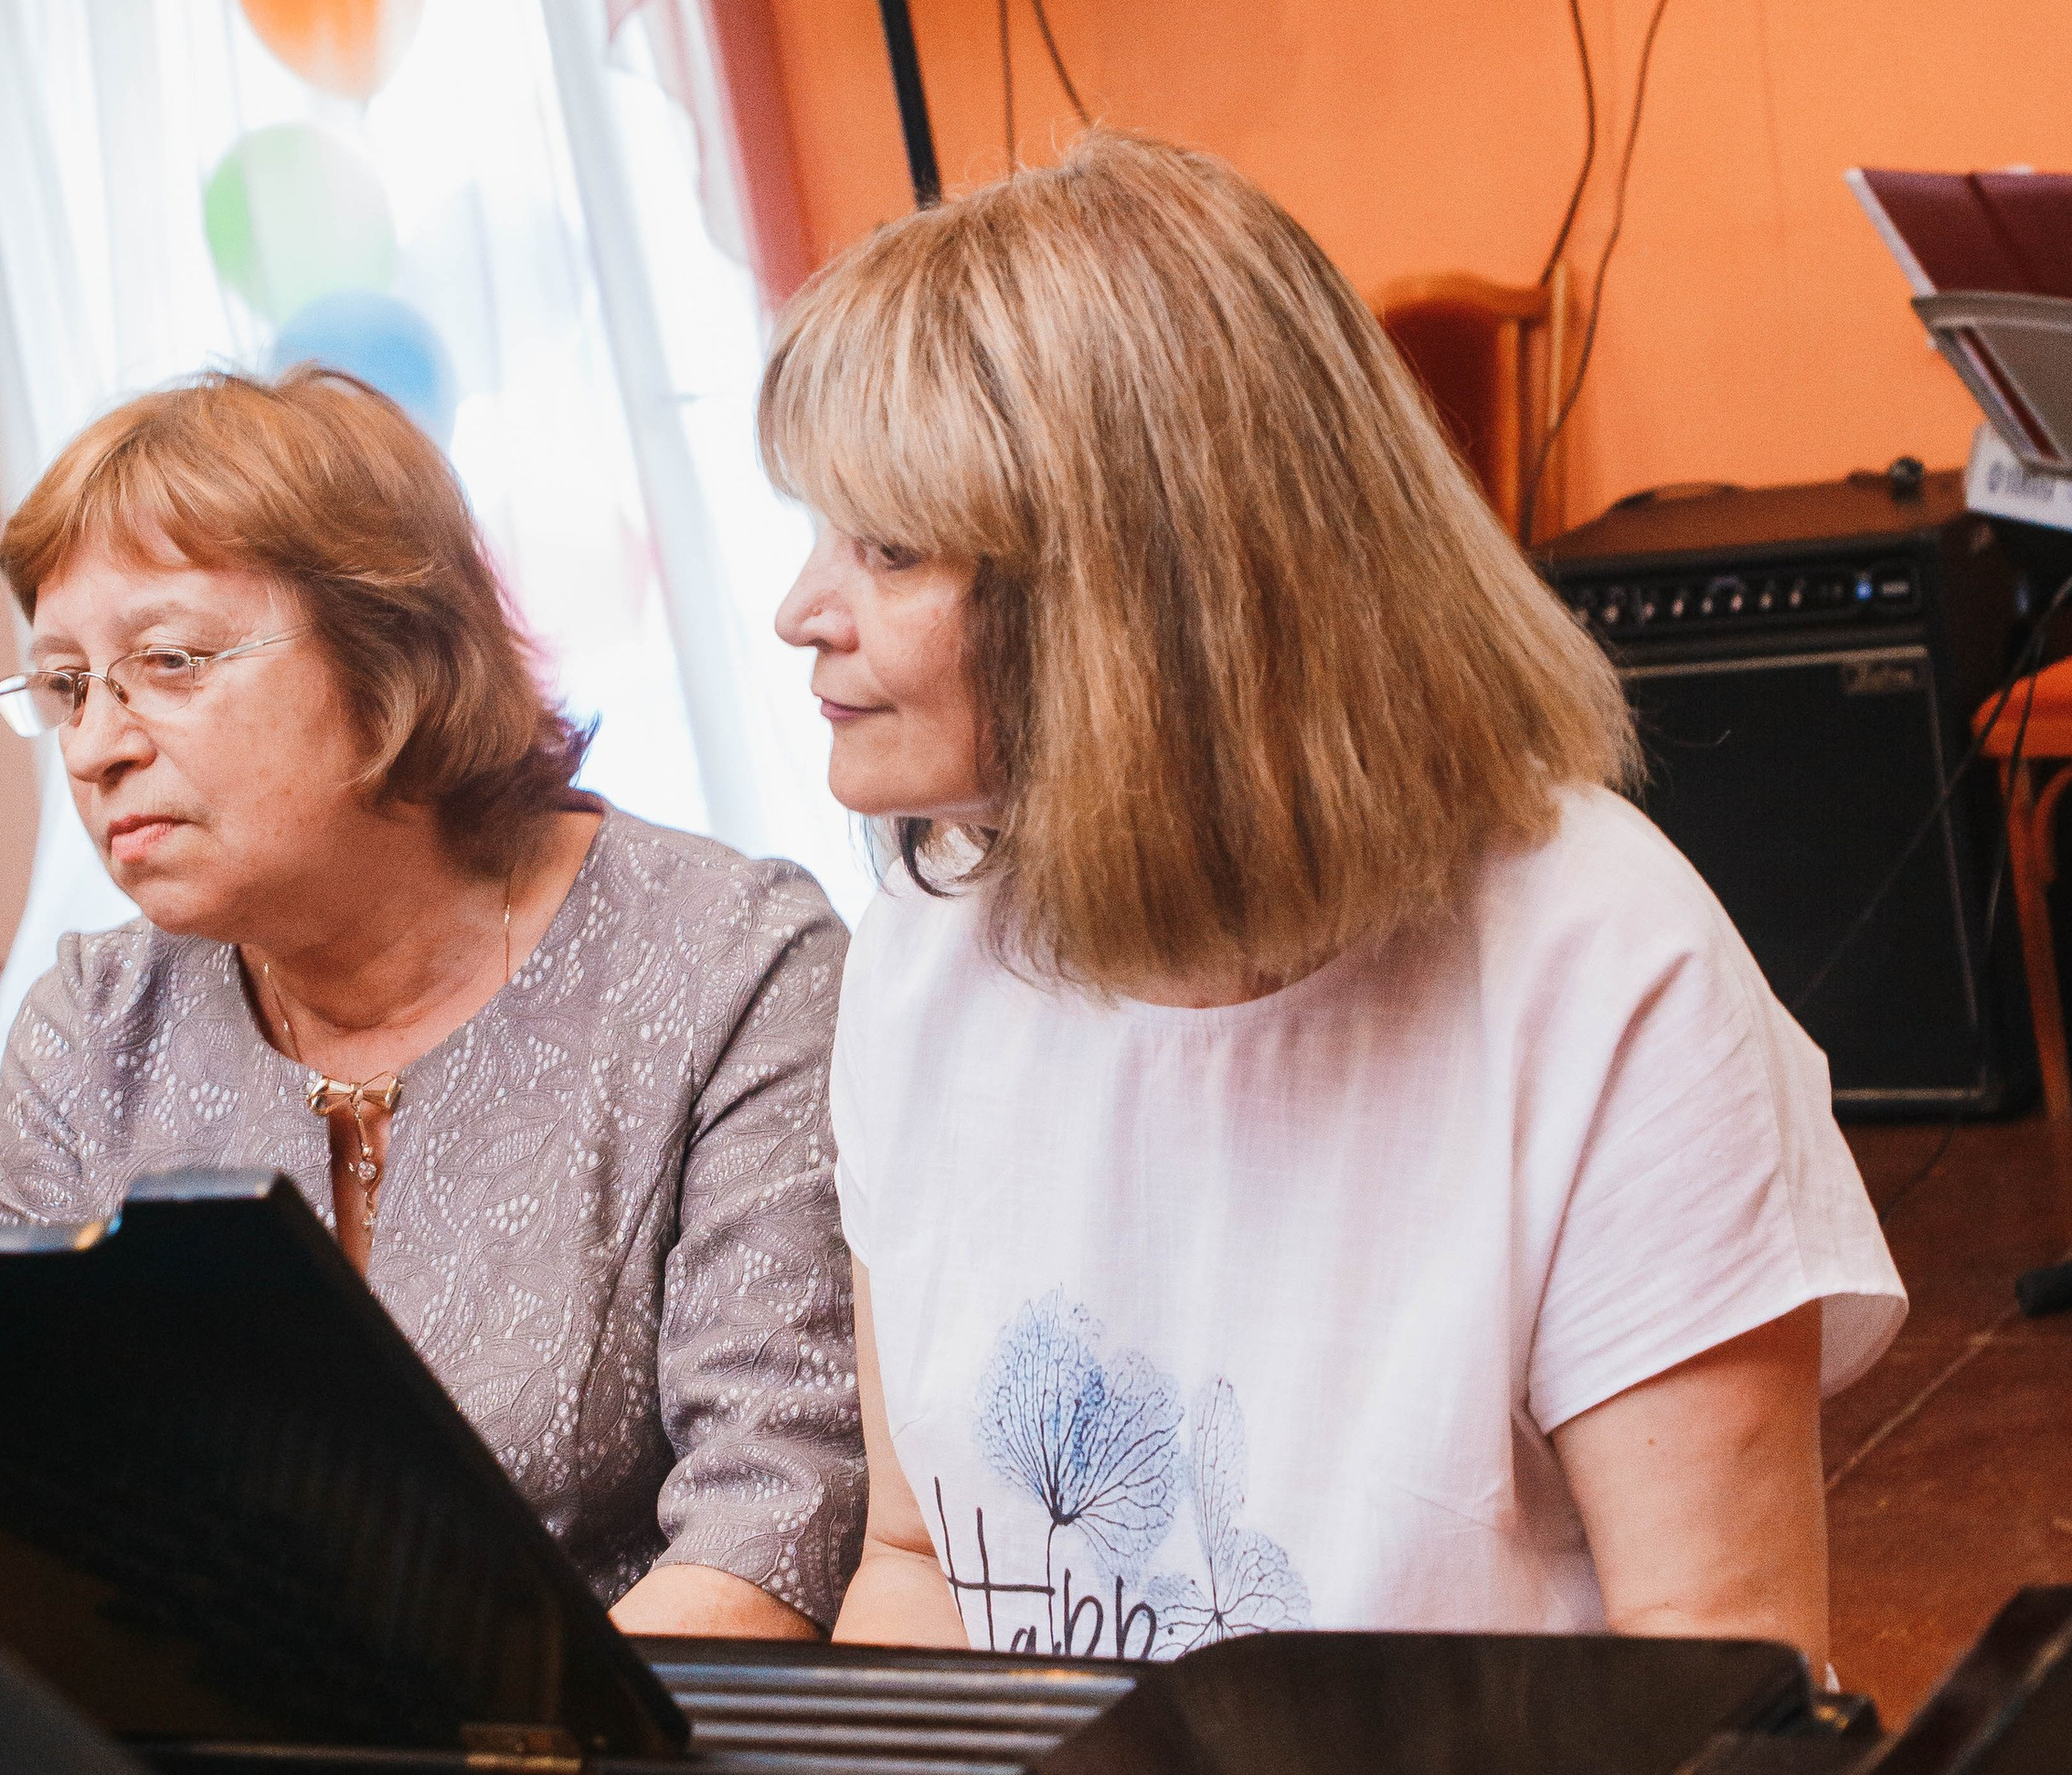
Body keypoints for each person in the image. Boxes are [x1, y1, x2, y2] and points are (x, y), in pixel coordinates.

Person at [766, 130, 1905, 1671]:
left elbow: (1720, 1681)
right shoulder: (931, 933)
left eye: (888, 549)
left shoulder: (1600, 968)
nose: (799, 613)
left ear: (1136, 591)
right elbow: (919, 1558)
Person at [0, 366, 862, 1641]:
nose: (94, 745)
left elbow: (776, 1522)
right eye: (64, 687)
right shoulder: (92, 1032)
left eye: (167, 663)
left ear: (388, 660)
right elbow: (40, 1518)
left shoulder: (733, 967)